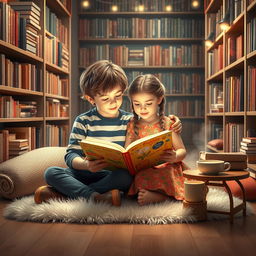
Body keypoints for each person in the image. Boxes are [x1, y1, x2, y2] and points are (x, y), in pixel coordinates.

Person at [34, 60, 182, 206]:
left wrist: (174, 121)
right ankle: (97, 197)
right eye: (105, 98)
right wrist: (85, 165)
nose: (113, 102)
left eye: (118, 96)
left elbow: (152, 122)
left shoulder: (129, 120)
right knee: (51, 172)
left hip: (111, 176)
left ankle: (68, 195)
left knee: (125, 178)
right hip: (82, 174)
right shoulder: (83, 121)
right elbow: (71, 155)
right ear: (91, 99)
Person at [125, 74, 186, 205]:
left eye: (148, 103)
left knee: (167, 172)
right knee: (142, 176)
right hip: (145, 167)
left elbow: (182, 150)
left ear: (159, 100)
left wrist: (175, 156)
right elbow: (127, 151)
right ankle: (152, 195)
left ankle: (164, 197)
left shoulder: (168, 123)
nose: (142, 108)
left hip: (166, 165)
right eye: (137, 104)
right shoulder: (132, 124)